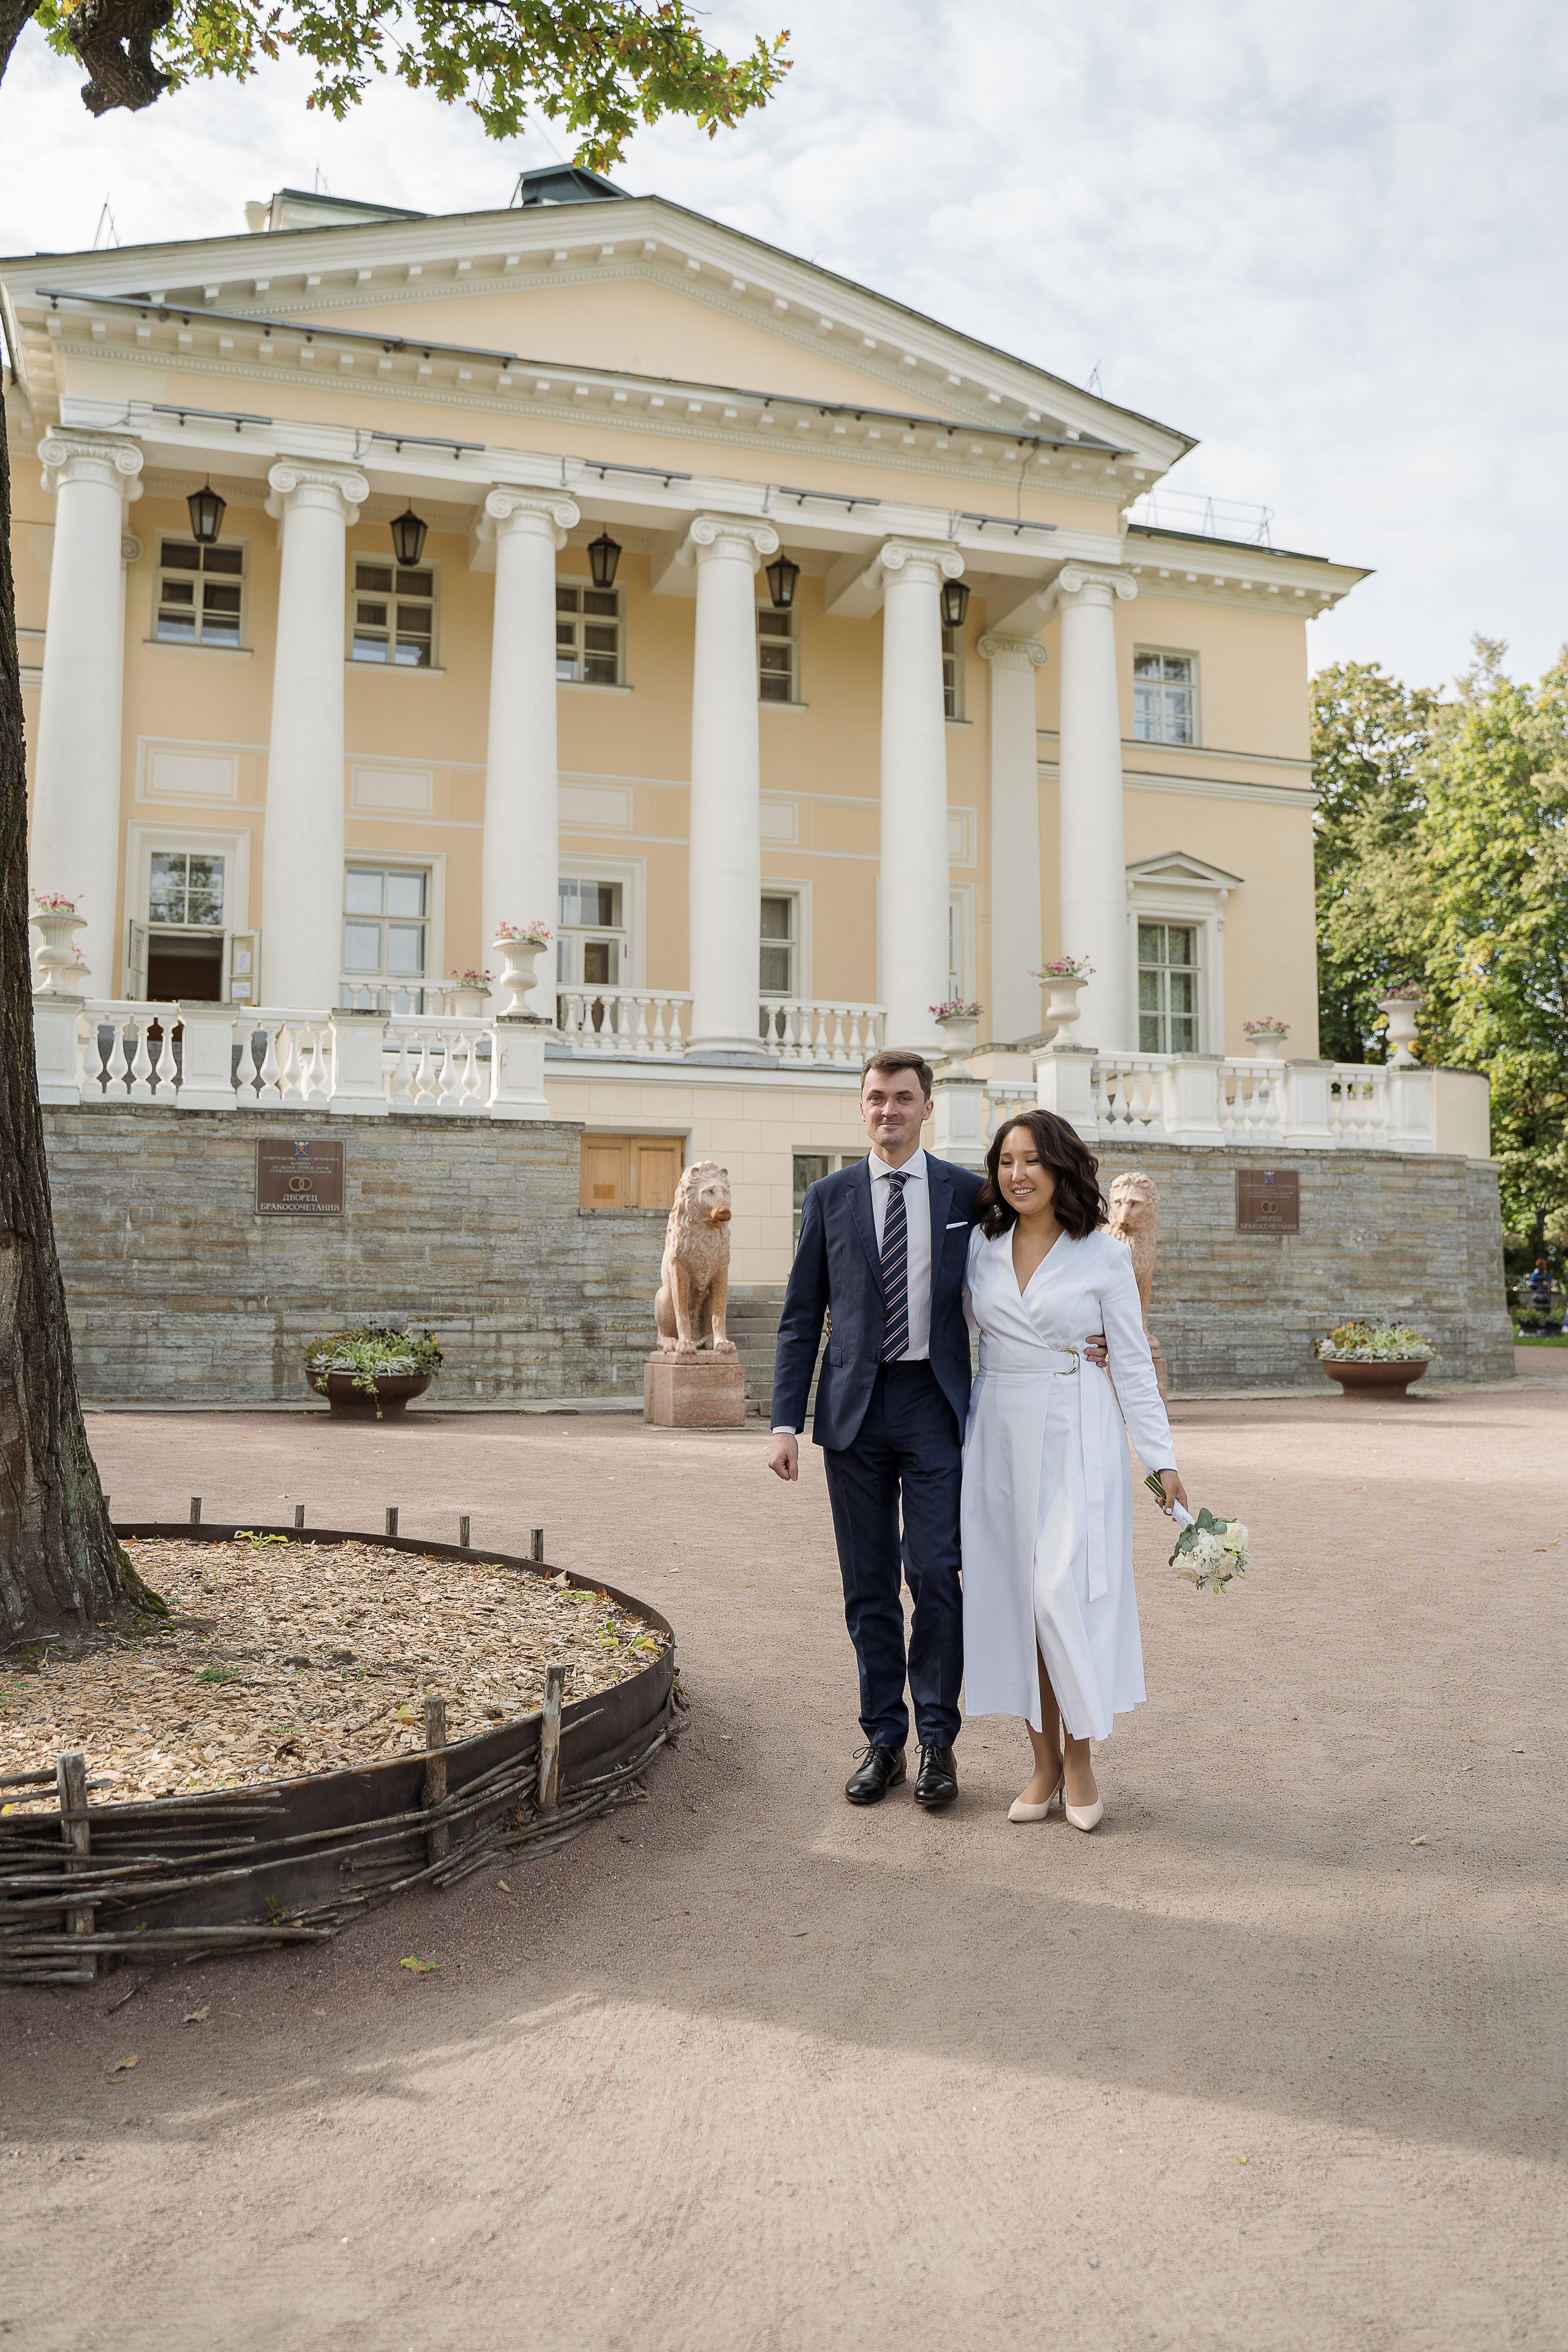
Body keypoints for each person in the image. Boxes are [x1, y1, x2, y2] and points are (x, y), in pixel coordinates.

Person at [960, 1110, 1187, 1833]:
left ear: (1061, 1167)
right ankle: (1042, 1762)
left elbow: (1129, 1362)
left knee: (1066, 1596)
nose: (1016, 1174)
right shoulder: (979, 1246)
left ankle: (1082, 1758)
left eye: (1031, 1160)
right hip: (996, 1432)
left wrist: (1161, 1462)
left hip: (1077, 1432)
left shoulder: (1101, 1254)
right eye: (1005, 1162)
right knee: (1017, 1600)